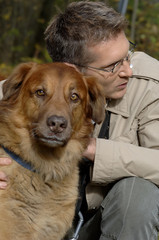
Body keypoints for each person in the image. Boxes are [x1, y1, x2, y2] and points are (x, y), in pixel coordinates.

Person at [1, 1, 159, 239]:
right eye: (112, 66)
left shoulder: (149, 83)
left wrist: (96, 150)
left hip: (104, 219)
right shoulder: (31, 85)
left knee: (138, 193)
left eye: (127, 55)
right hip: (34, 211)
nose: (128, 70)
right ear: (70, 68)